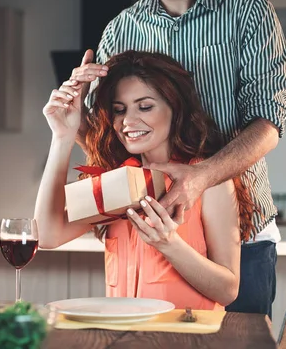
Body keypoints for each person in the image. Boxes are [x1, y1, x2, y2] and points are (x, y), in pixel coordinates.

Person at [66, 0, 286, 318]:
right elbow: (105, 130)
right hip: (154, 234)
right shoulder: (121, 29)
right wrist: (70, 118)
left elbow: (267, 123)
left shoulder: (247, 11)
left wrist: (201, 178)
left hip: (239, 234)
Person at [35, 50, 257, 309]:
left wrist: (169, 244)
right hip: (124, 336)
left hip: (188, 336)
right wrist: (63, 135)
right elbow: (47, 236)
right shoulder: (115, 179)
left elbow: (227, 290)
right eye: (119, 110)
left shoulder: (208, 180)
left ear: (175, 107)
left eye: (145, 106)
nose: (128, 121)